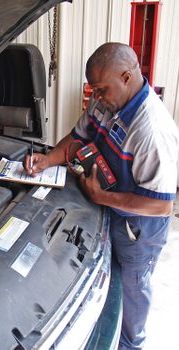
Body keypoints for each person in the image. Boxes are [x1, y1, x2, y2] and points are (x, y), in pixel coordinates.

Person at [24, 42, 179, 349]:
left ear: (126, 77)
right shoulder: (104, 102)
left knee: (133, 287)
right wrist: (48, 159)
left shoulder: (152, 131)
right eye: (93, 89)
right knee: (106, 276)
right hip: (105, 207)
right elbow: (78, 137)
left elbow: (162, 206)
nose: (95, 97)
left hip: (138, 229)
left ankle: (131, 343)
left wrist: (102, 198)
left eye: (101, 89)